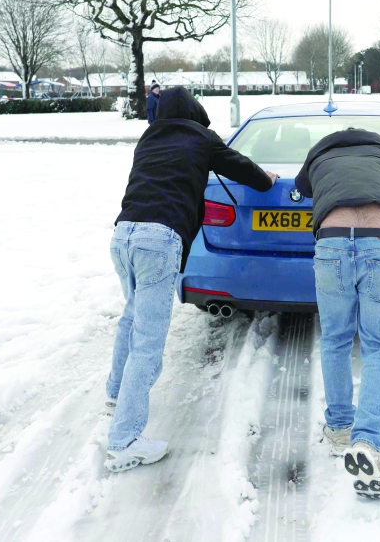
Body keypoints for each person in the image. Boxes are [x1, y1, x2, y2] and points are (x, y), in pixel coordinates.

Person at [105, 86, 278, 472]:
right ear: (197, 113)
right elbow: (244, 169)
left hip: (123, 235)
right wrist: (267, 180)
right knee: (148, 342)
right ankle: (124, 440)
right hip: (157, 239)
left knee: (131, 318)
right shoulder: (202, 137)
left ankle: (116, 396)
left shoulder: (148, 138)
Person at [295, 127, 380, 499]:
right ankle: (368, 442)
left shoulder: (318, 155)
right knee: (379, 348)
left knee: (335, 340)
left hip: (331, 245)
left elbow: (304, 188)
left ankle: (341, 428)